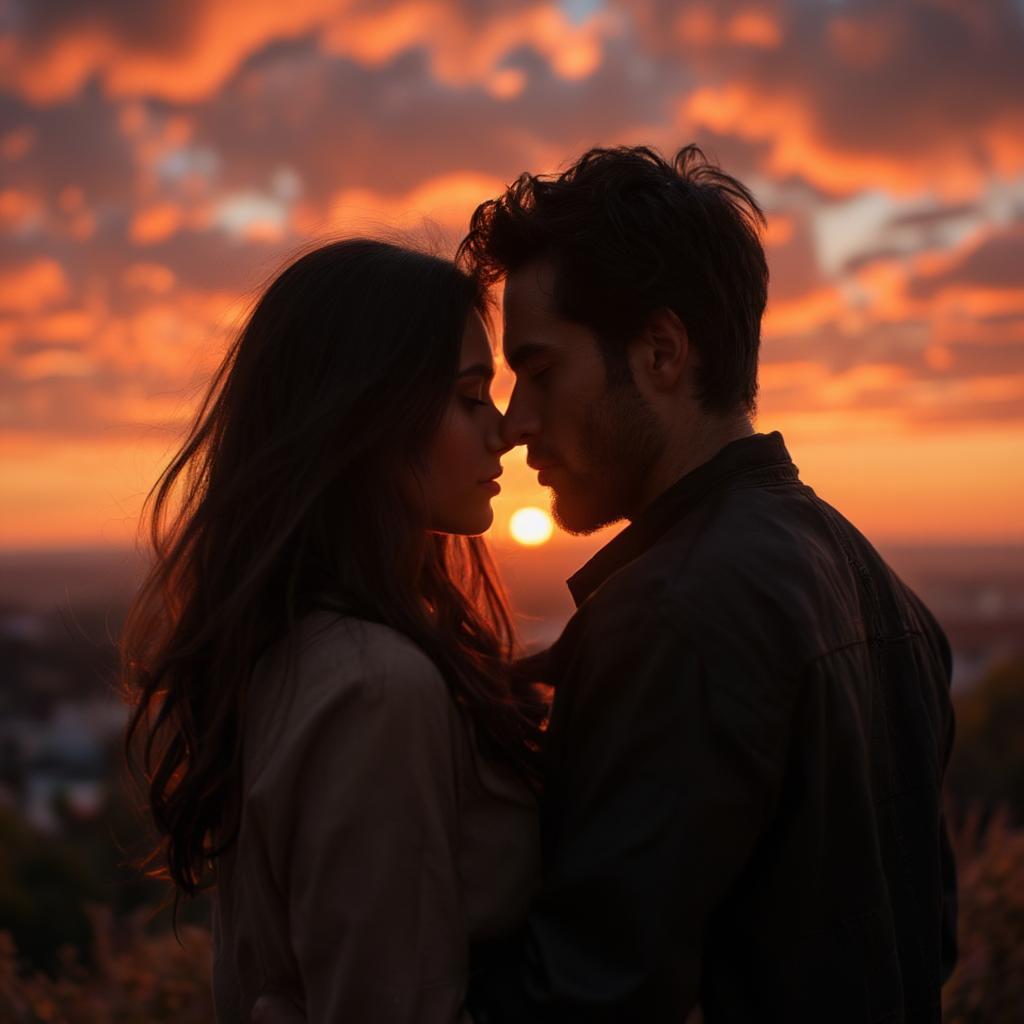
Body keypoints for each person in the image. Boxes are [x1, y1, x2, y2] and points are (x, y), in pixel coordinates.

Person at [455, 145, 958, 1023]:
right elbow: (925, 937)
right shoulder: (878, 586)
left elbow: (583, 1002)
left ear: (661, 352)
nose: (515, 422)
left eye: (538, 371)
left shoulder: (674, 617)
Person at [120, 239, 544, 1023]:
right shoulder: (377, 687)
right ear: (369, 417)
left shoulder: (298, 651)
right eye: (469, 396)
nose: (505, 431)